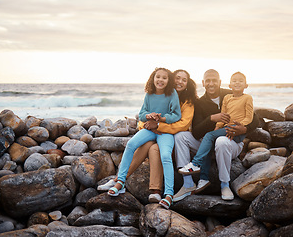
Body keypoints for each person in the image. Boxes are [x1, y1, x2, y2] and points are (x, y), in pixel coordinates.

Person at [173, 69, 259, 201]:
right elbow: (196, 132)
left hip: (231, 144)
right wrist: (212, 118)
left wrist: (243, 129)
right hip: (207, 146)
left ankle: (225, 185)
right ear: (203, 83)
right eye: (208, 81)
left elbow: (256, 120)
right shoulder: (199, 102)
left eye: (214, 80)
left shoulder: (232, 94)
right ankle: (188, 183)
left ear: (220, 82)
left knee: (221, 141)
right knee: (180, 136)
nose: (211, 84)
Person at [108, 67, 181, 209]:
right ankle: (121, 182)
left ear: (168, 80)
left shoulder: (172, 93)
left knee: (165, 155)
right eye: (157, 77)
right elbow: (142, 114)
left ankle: (169, 194)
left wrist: (161, 118)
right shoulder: (149, 94)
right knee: (131, 144)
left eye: (164, 78)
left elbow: (176, 115)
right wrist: (148, 116)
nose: (160, 80)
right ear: (153, 78)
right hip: (150, 130)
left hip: (165, 131)